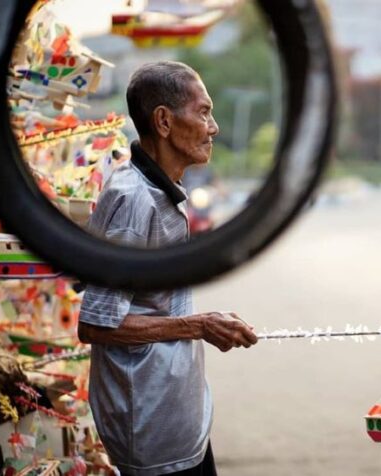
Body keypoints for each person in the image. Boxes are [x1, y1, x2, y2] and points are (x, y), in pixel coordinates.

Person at [77, 61, 258, 476]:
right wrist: (199, 325)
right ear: (163, 120)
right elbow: (97, 325)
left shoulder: (160, 190)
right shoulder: (133, 200)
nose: (213, 128)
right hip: (150, 434)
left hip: (175, 424)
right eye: (204, 112)